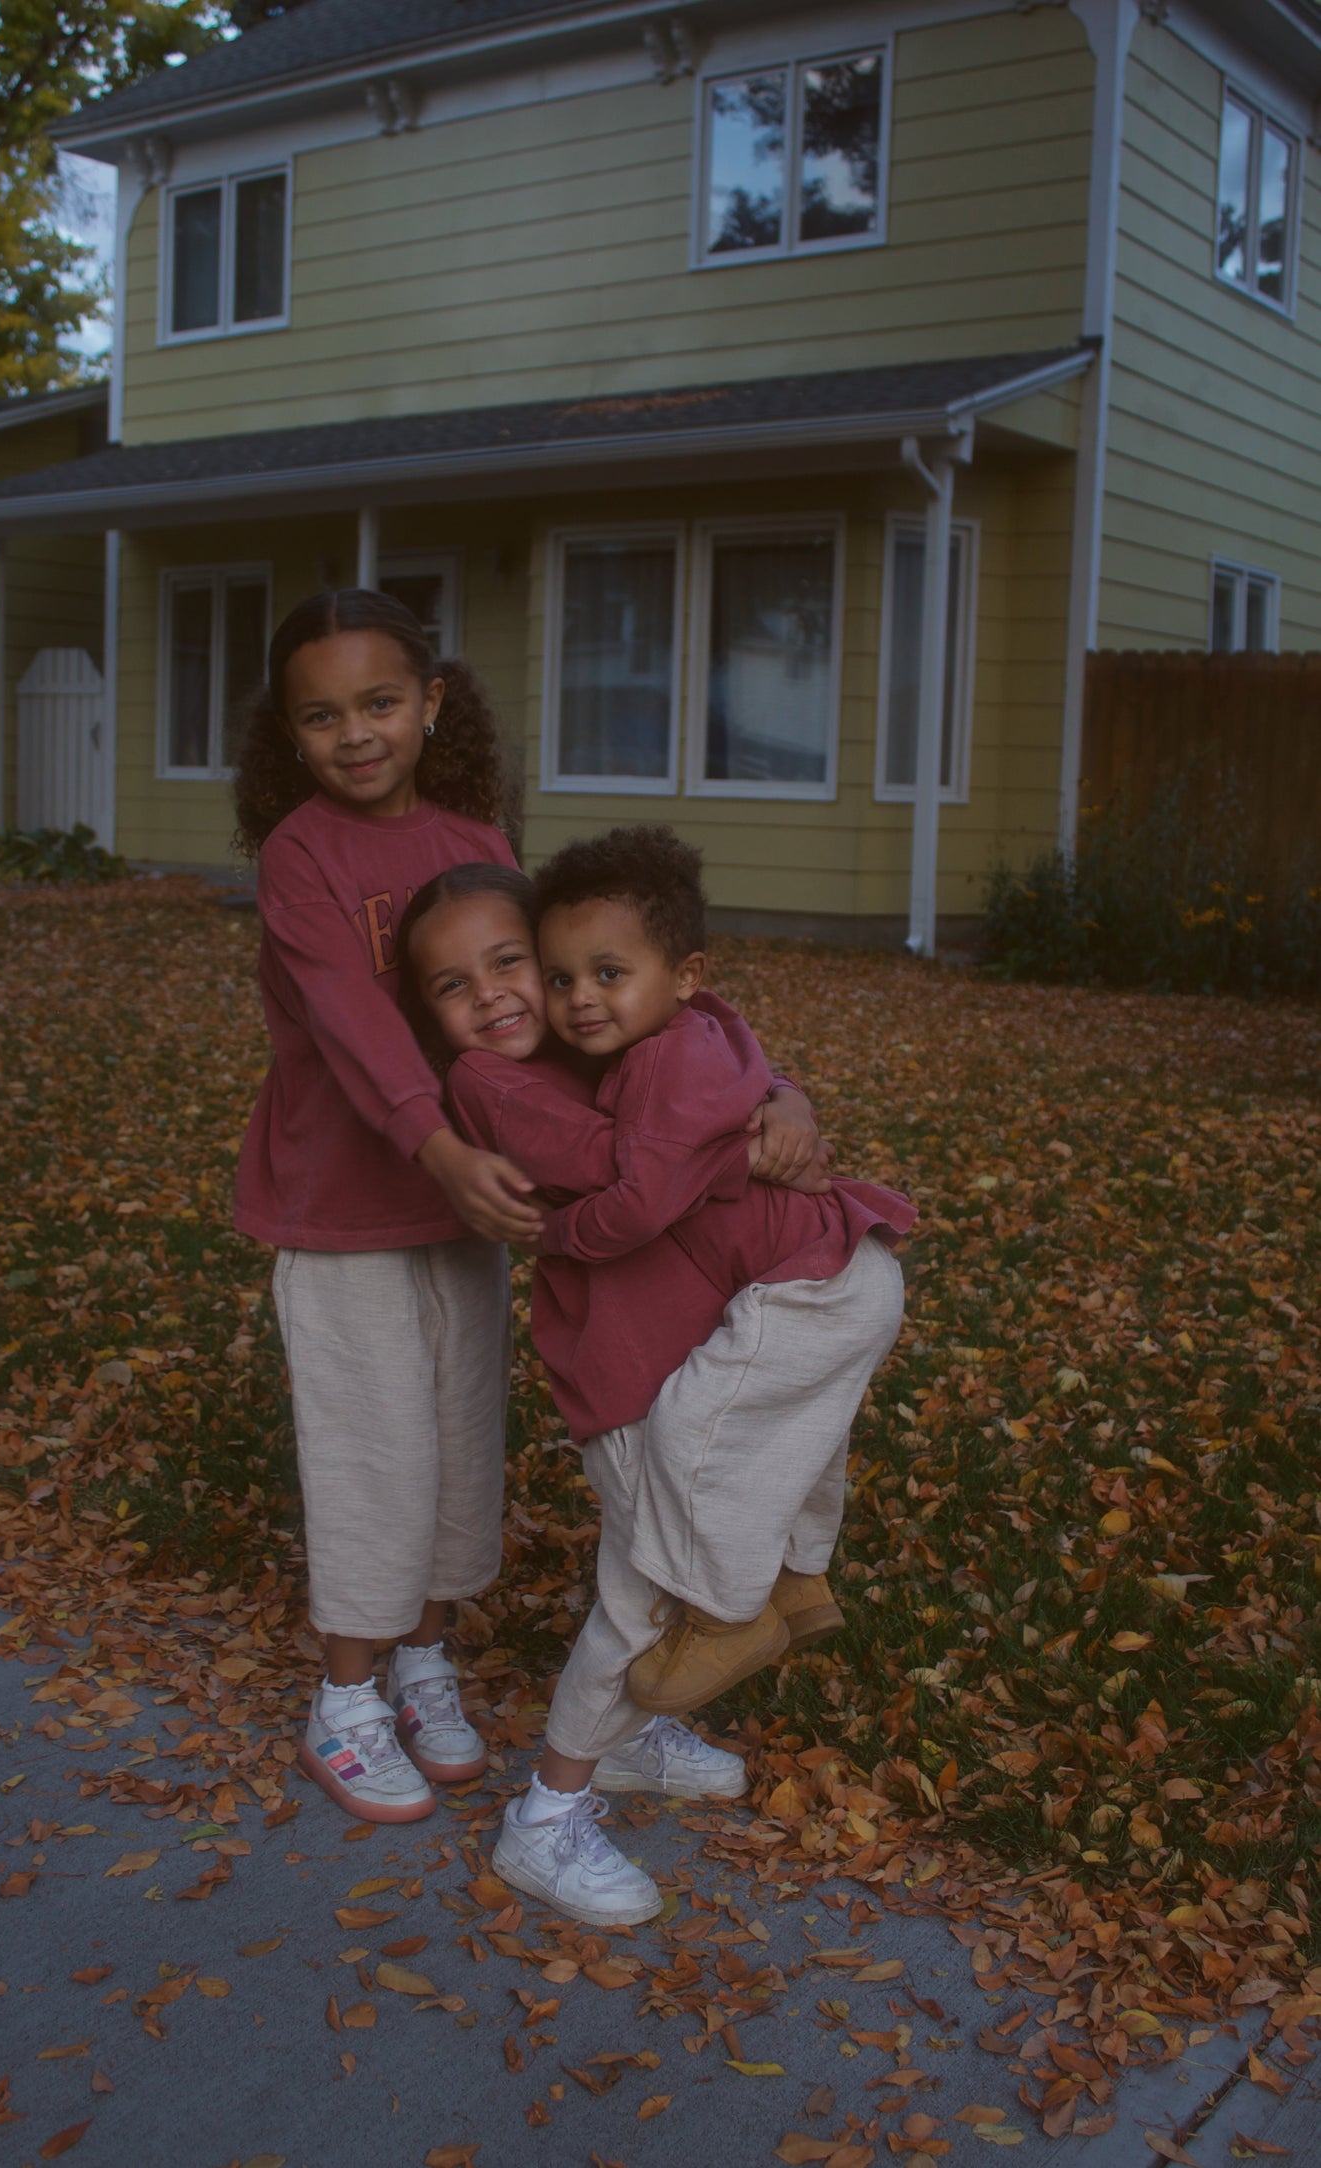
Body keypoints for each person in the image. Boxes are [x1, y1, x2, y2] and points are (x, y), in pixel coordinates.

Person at [396, 845, 910, 1921]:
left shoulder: (612, 1036)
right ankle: (545, 1811)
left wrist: (784, 1095)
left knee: (766, 1471)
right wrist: (750, 1132)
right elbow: (639, 1168)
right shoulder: (493, 1079)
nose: (508, 995)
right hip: (626, 1370)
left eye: (514, 964)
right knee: (639, 1593)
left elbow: (713, 1066)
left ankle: (629, 1738)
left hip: (693, 1338)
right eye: (456, 985)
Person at [231, 588, 546, 1826]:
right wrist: (435, 1142)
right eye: (321, 714)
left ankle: (424, 1660)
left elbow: (526, 995)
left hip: (467, 1204)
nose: (354, 732)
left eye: (377, 702)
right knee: (374, 1453)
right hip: (347, 1203)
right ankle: (345, 1698)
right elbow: (351, 1021)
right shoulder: (299, 853)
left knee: (459, 1444)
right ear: (290, 735)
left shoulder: (478, 835)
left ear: (429, 703)